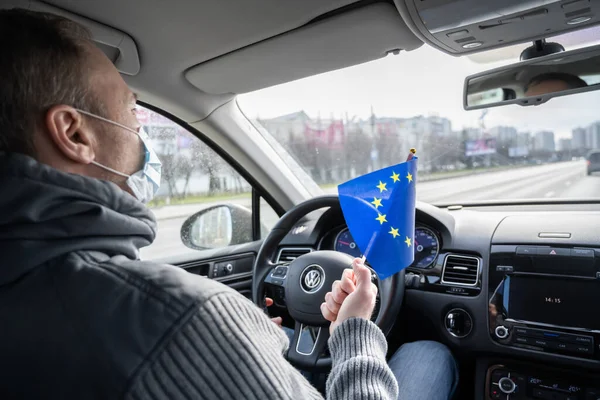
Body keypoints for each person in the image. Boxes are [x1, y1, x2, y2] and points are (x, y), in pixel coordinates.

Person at [0, 8, 457, 399]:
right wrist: (353, 332)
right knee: (428, 355)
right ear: (75, 134)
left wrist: (252, 336)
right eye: (131, 111)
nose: (140, 129)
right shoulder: (183, 319)